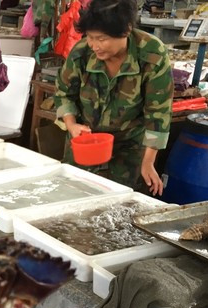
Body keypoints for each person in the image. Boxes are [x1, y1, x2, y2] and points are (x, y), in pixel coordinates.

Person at [54, 0, 172, 195]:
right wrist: (72, 124)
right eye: (90, 37)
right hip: (85, 143)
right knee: (73, 193)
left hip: (128, 147)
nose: (94, 45)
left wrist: (148, 162)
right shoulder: (81, 52)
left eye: (102, 39)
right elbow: (64, 93)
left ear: (126, 30)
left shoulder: (151, 54)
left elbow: (158, 113)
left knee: (120, 200)